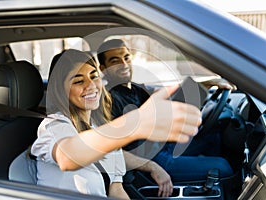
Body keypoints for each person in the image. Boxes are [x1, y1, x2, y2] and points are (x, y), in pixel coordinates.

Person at [31, 49, 202, 198]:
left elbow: (116, 188)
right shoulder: (53, 126)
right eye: (78, 81)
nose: (91, 85)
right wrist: (134, 124)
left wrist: (151, 166)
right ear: (60, 89)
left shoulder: (96, 127)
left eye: (94, 76)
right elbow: (67, 156)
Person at [97, 39, 234, 191]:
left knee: (211, 136)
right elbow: (110, 151)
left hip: (162, 146)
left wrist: (211, 82)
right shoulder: (108, 100)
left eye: (126, 57)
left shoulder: (133, 88)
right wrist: (153, 167)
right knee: (224, 167)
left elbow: (170, 91)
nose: (123, 64)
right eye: (115, 60)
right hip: (151, 160)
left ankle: (206, 184)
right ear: (103, 68)